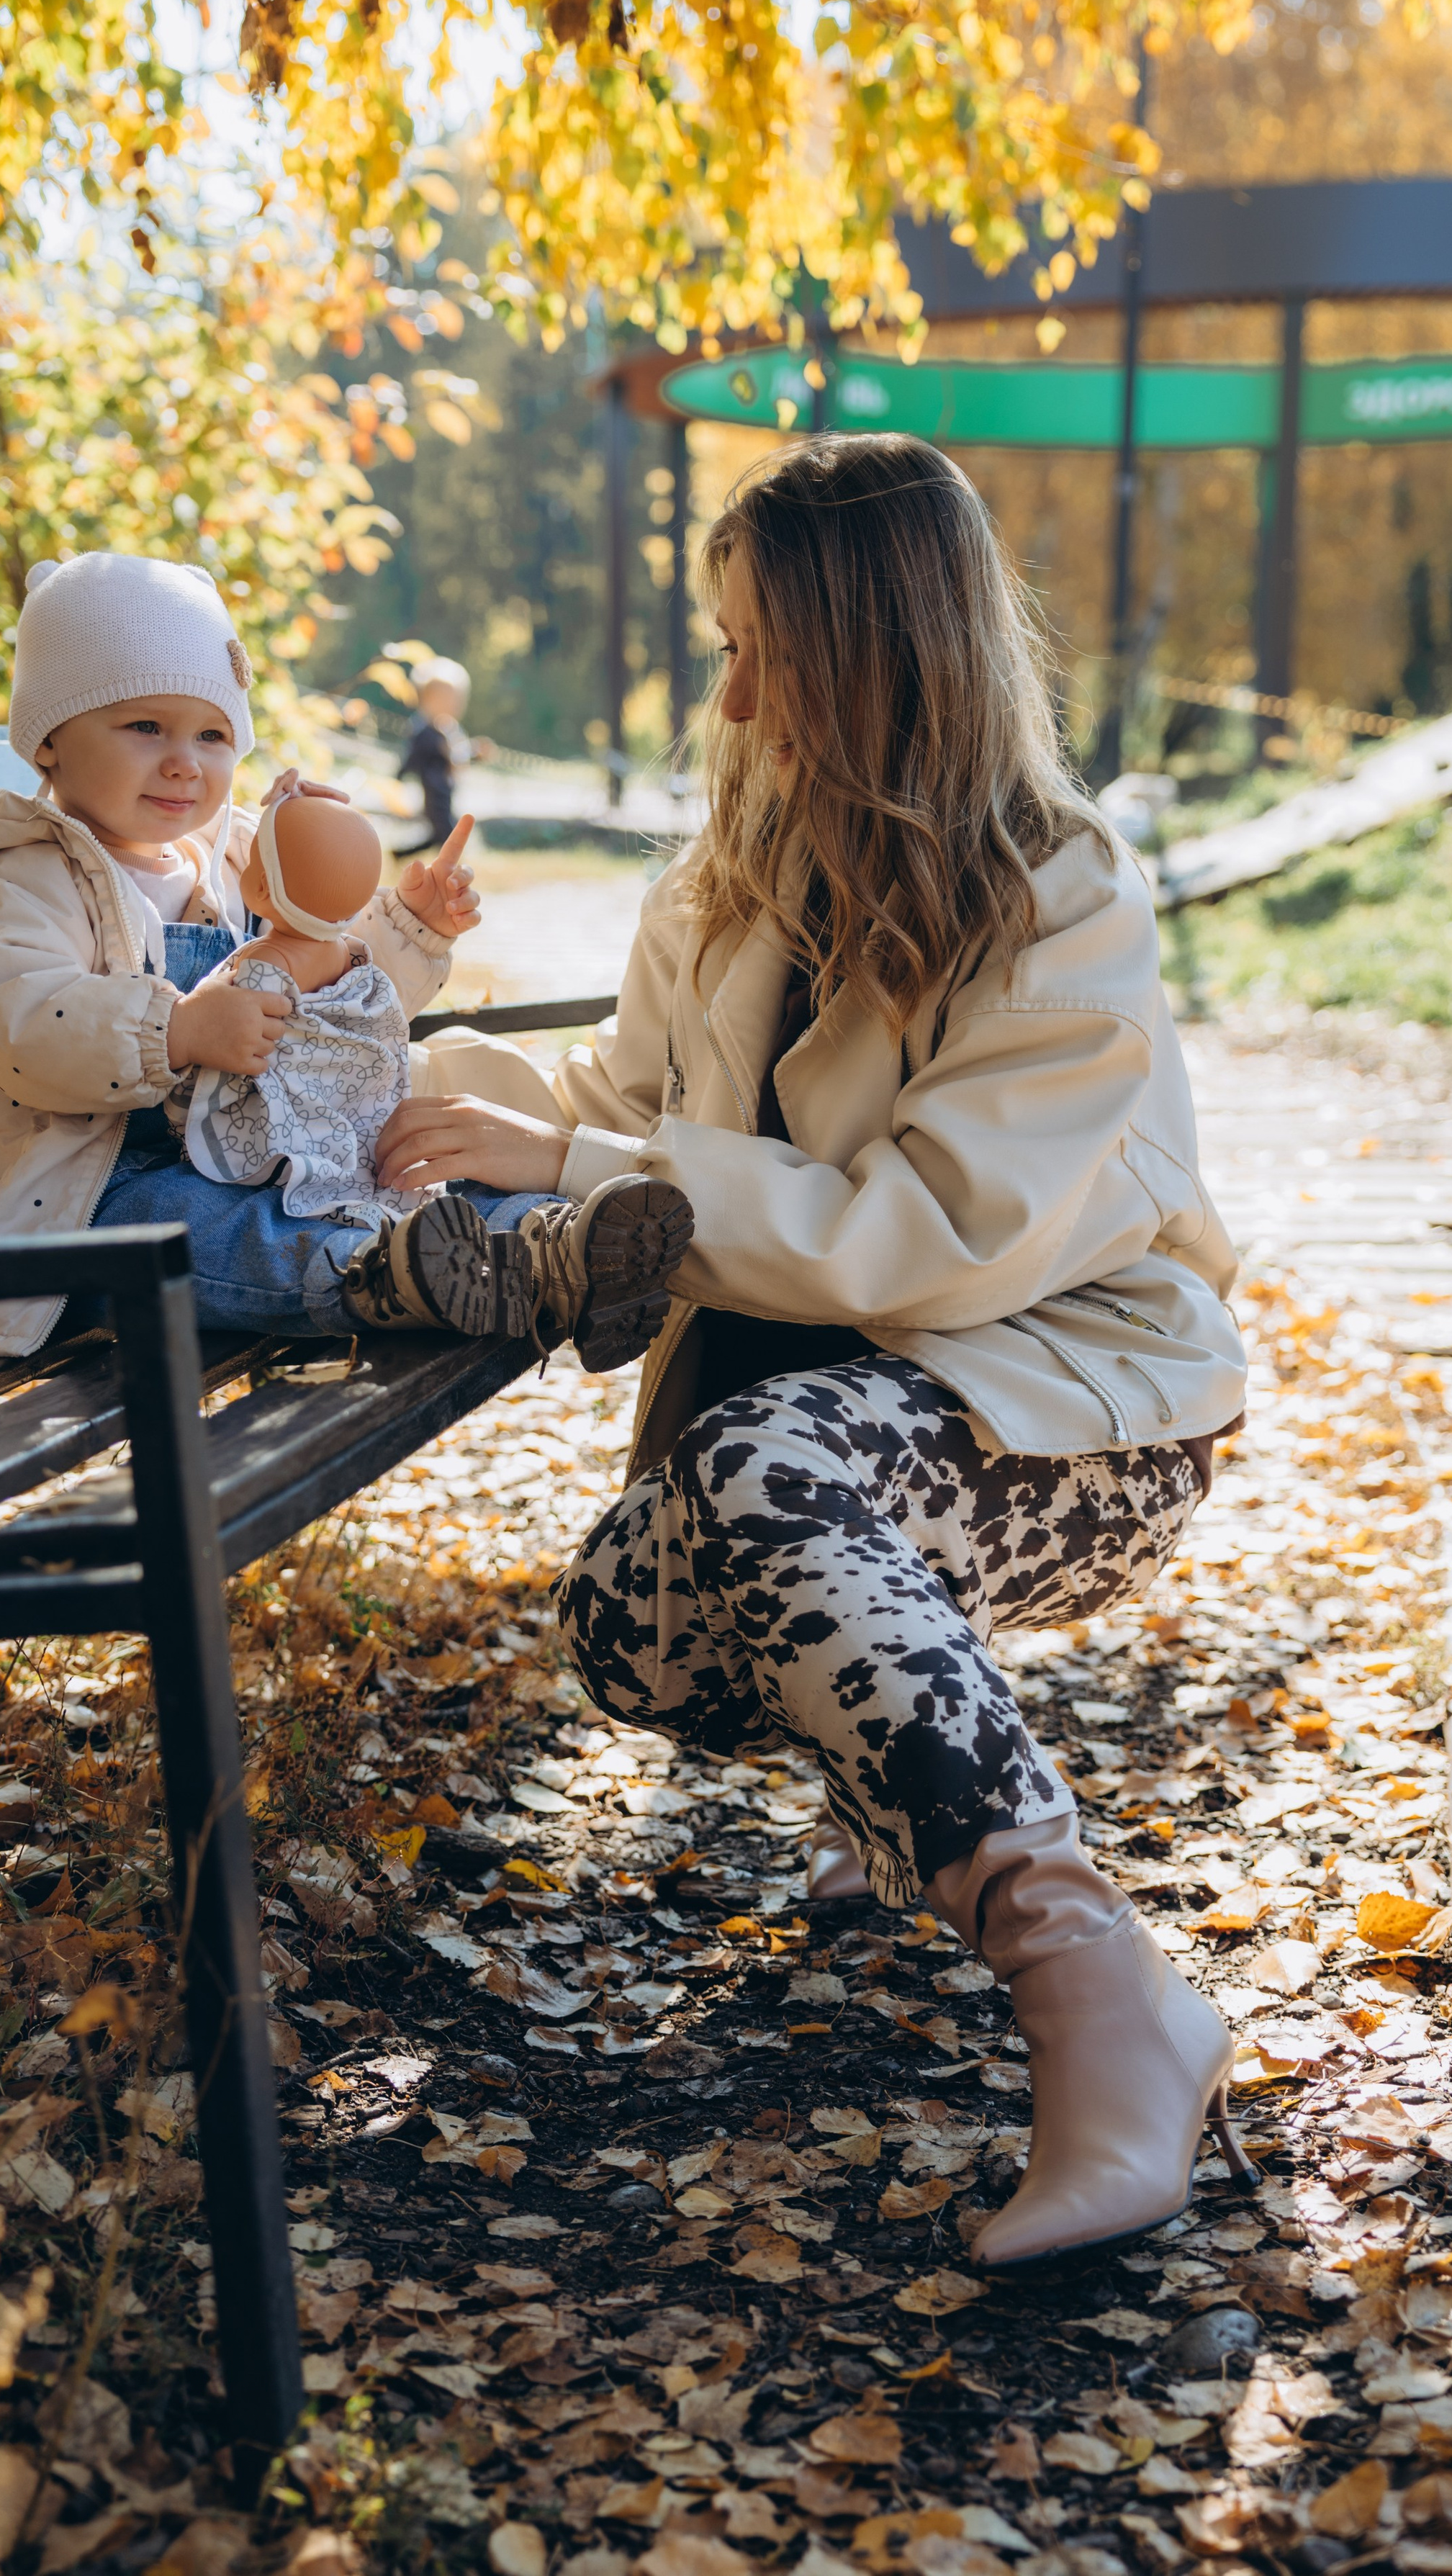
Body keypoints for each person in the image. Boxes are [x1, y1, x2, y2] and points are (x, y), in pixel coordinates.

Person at [368, 436, 1254, 2269]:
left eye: (756, 641)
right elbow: (623, 1113)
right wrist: (406, 1080)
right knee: (628, 1625)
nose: (731, 688)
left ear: (869, 647)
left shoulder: (1058, 889)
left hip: (1062, 1406)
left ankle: (1096, 1988)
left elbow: (925, 1242)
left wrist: (586, 1159)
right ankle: (888, 1773)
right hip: (786, 1424)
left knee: (766, 1477)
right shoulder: (726, 877)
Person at [0, 553, 691, 1366]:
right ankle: (381, 1276)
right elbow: (20, 1020)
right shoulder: (22, 875)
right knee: (213, 1231)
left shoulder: (232, 860)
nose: (183, 762)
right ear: (49, 739)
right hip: (71, 1208)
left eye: (212, 734)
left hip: (240, 1152)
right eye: (144, 728)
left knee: (395, 1169)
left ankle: (546, 1247)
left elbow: (318, 1001)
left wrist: (405, 930)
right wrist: (177, 1031)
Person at [398, 656, 472, 852]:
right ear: (426, 699)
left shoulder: (449, 729)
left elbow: (458, 757)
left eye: (454, 699)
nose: (450, 704)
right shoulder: (425, 731)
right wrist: (400, 776)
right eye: (444, 699)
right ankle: (449, 866)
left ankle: (401, 854)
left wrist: (475, 754)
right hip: (433, 789)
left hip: (445, 790)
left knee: (438, 833)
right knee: (446, 832)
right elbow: (412, 756)